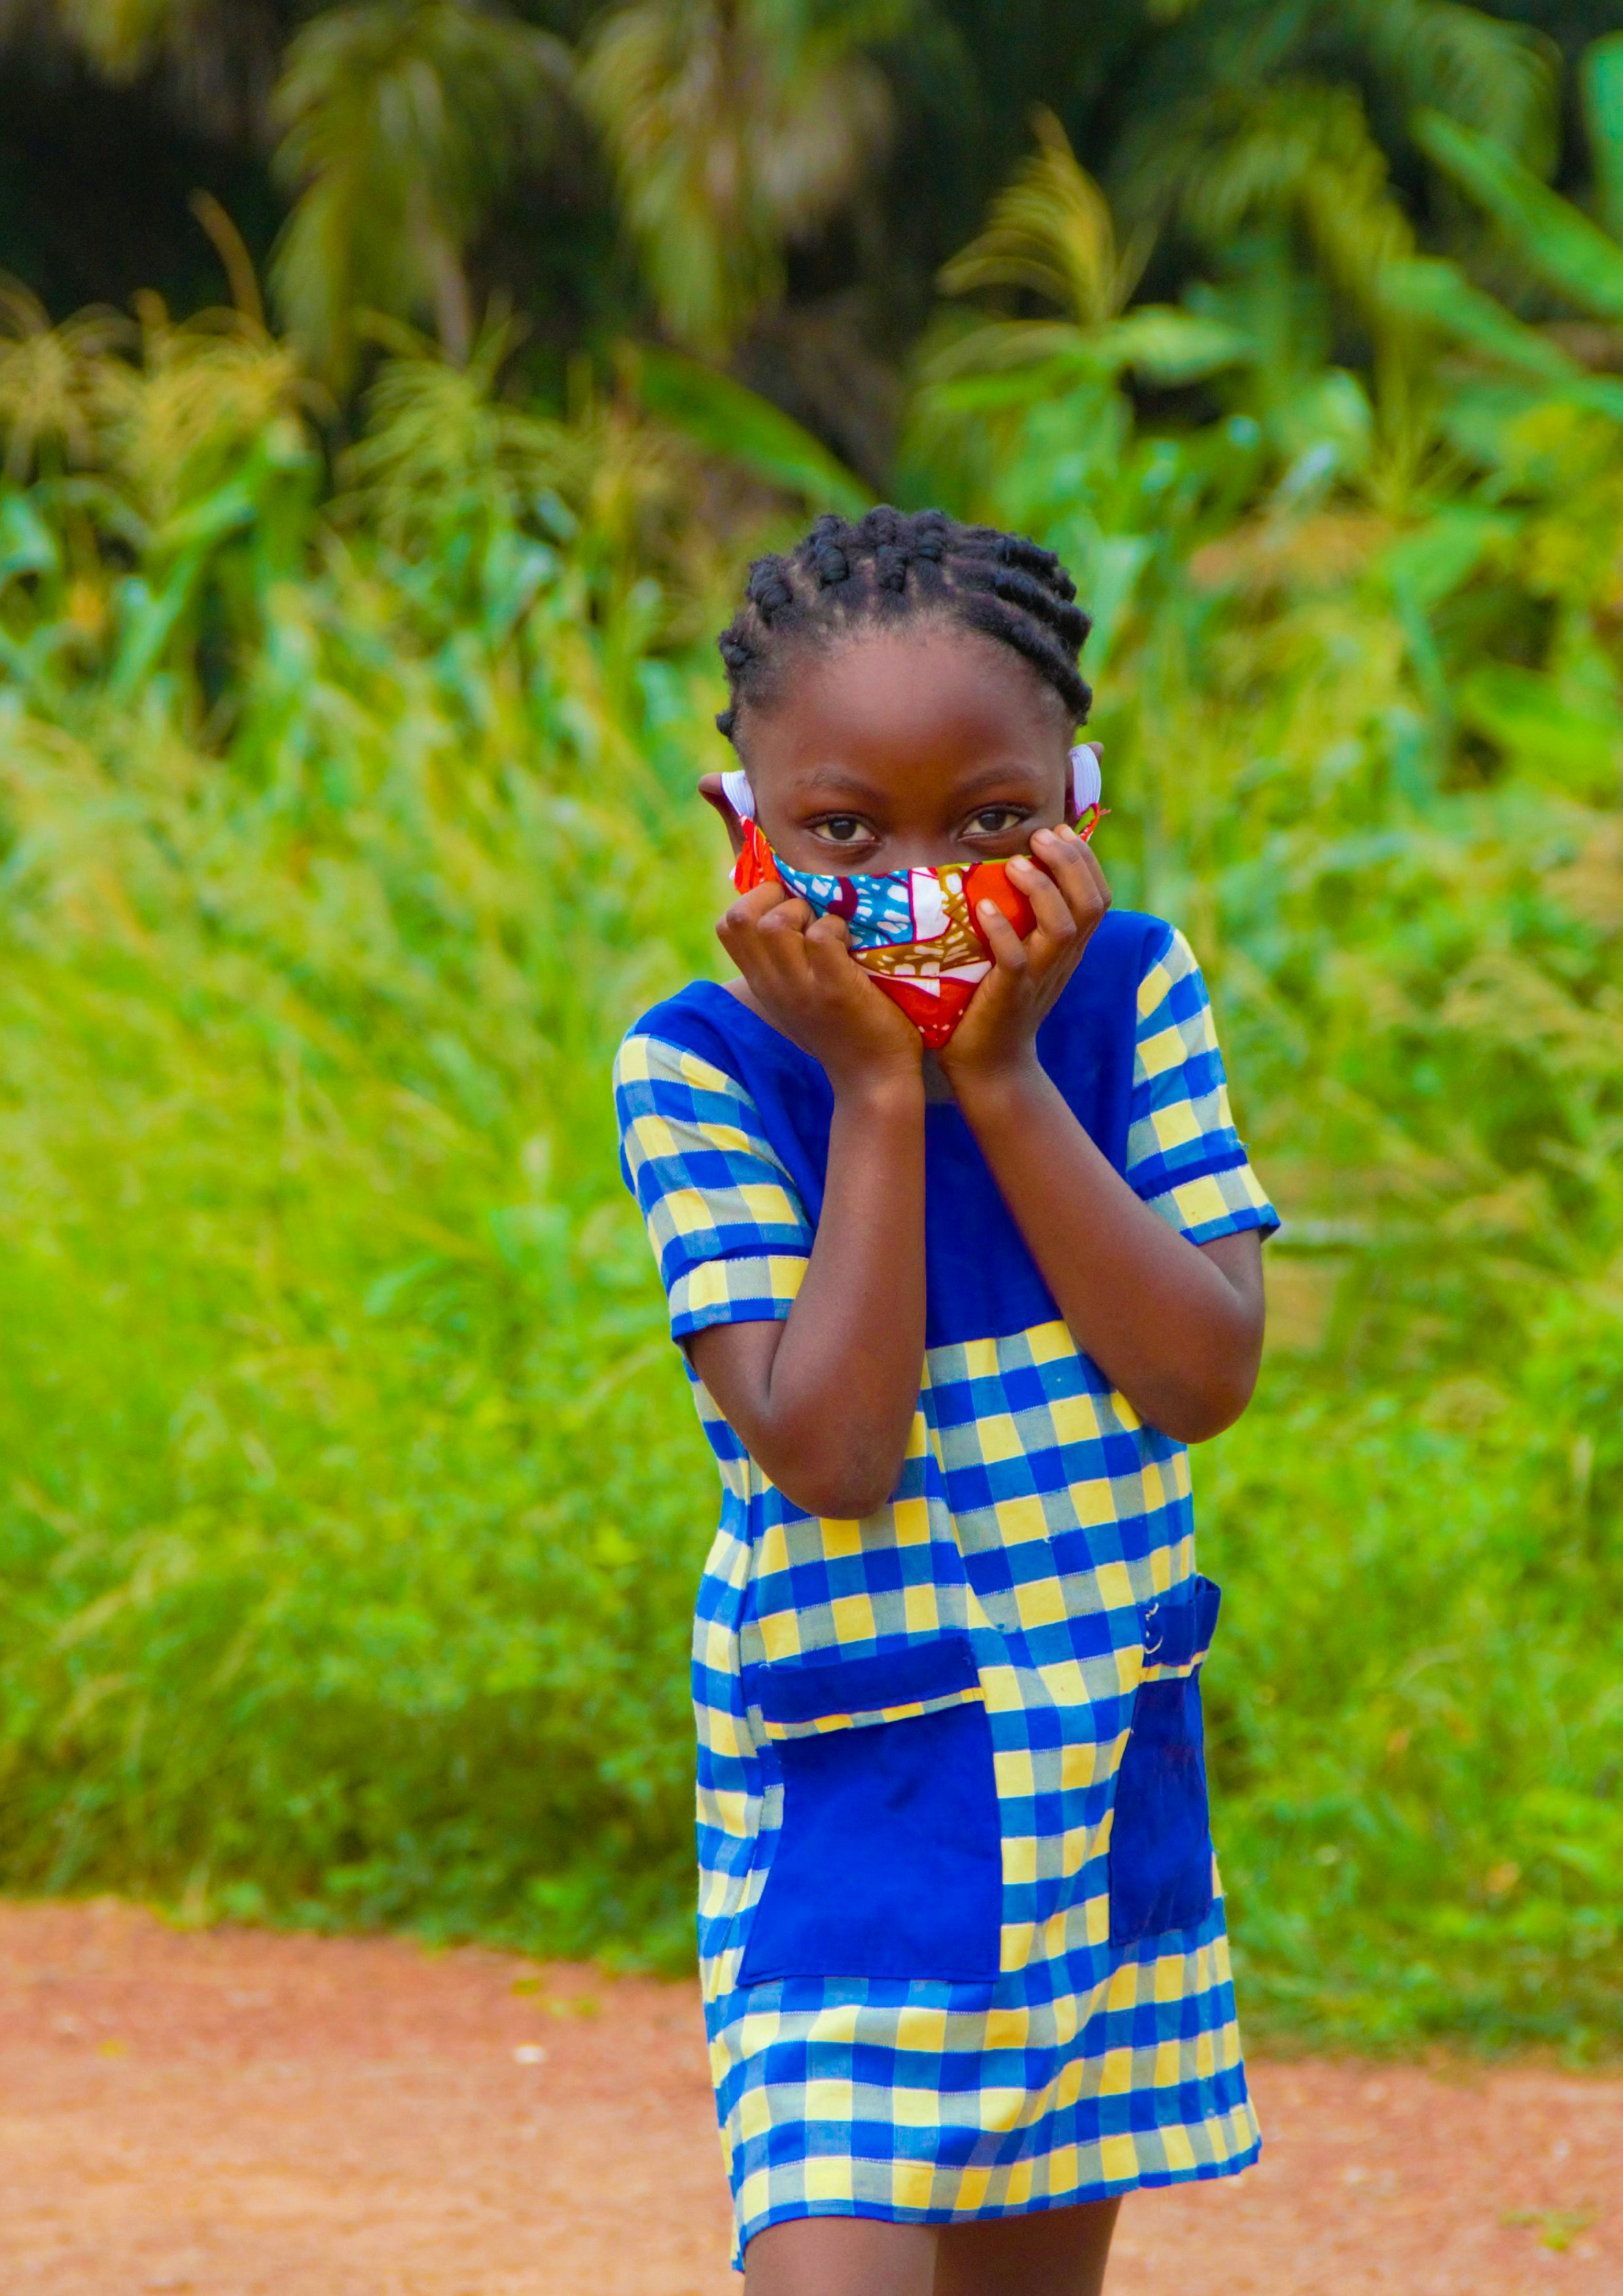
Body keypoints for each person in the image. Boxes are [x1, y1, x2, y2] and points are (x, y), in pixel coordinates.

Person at [614, 506, 1277, 2296]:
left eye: (988, 819)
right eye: (847, 830)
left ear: (1081, 795)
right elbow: (831, 1449)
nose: (920, 877)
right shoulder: (704, 1068)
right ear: (745, 828)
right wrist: (881, 1097)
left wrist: (997, 1074)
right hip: (853, 1812)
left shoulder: (1131, 1001)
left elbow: (1203, 1369)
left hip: (1087, 1778)